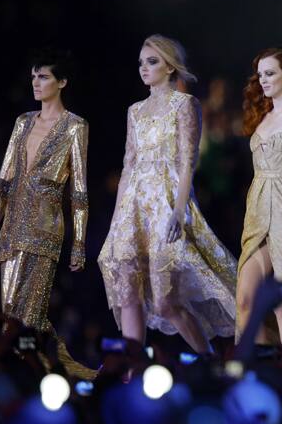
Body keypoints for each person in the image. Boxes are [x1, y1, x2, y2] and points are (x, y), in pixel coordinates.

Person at [98, 34, 237, 355]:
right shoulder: (135, 111)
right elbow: (128, 164)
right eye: (141, 63)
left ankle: (209, 363)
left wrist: (179, 210)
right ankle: (131, 372)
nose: (144, 68)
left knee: (164, 303)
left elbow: (188, 162)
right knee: (128, 294)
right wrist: (117, 221)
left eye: (152, 61)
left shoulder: (185, 105)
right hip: (133, 207)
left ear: (170, 66)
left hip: (165, 204)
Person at [0, 48, 95, 379]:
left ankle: (39, 378)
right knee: (11, 317)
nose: (36, 83)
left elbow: (79, 191)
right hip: (11, 231)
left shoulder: (74, 127)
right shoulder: (23, 122)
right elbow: (3, 181)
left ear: (62, 82)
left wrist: (79, 242)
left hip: (44, 231)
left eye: (43, 77)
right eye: (33, 77)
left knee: (28, 318)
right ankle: (48, 371)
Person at [237, 47, 282, 355]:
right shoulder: (262, 116)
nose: (263, 80)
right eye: (261, 74)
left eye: (270, 73)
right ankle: (253, 372)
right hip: (256, 212)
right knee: (244, 298)